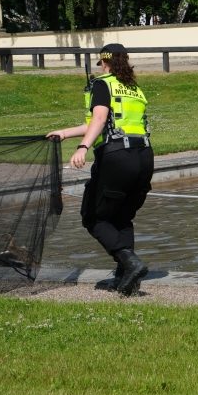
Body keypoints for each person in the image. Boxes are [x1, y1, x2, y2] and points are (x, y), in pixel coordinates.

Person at [47, 43, 153, 295]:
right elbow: (107, 123)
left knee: (92, 216)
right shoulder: (133, 88)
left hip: (117, 158)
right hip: (144, 156)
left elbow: (99, 120)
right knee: (122, 217)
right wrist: (64, 133)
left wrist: (83, 147)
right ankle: (126, 278)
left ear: (104, 63)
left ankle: (130, 262)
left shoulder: (102, 84)